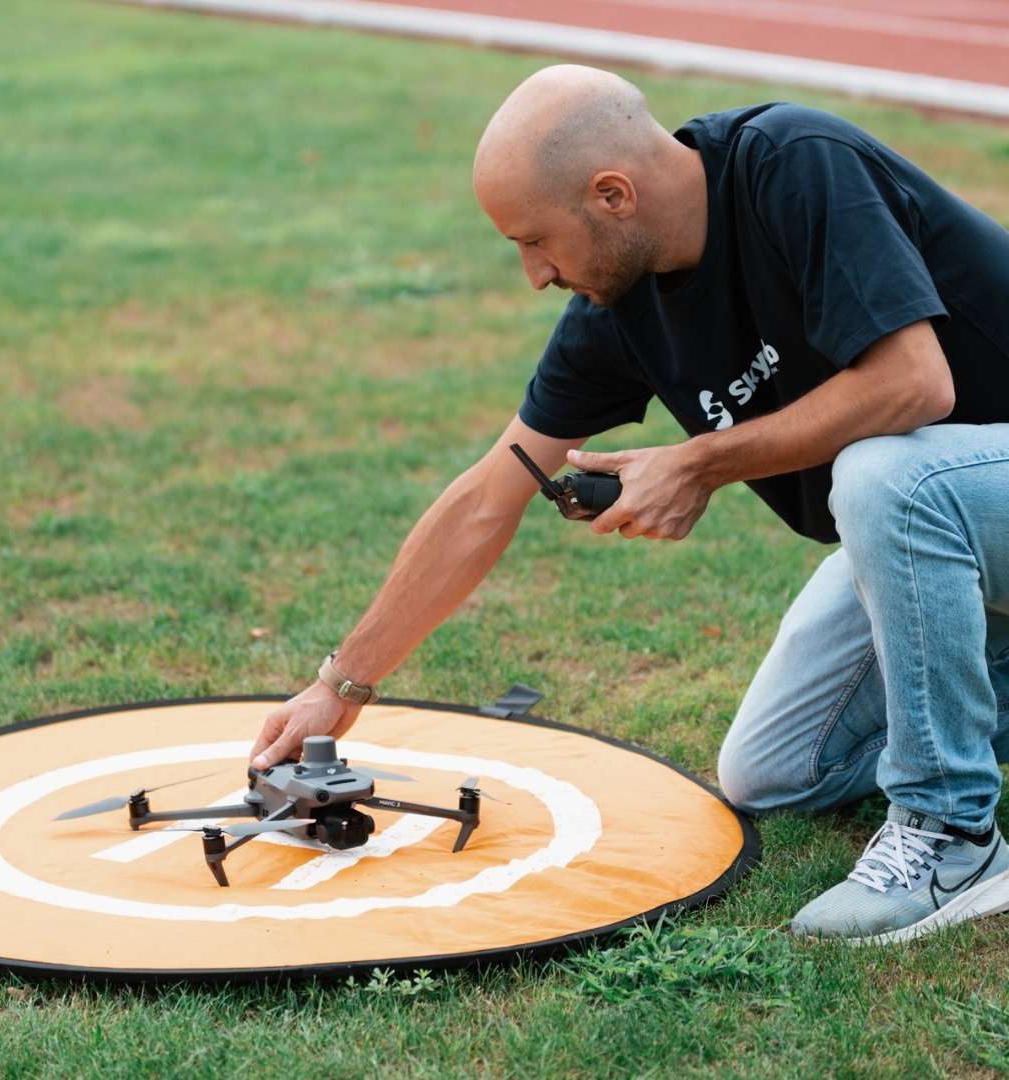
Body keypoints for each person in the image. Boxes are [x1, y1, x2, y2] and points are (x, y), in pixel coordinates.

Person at [251, 64, 1009, 943]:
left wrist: (698, 463)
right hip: (955, 533)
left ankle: (953, 836)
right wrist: (339, 686)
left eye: (536, 241)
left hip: (934, 499)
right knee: (773, 771)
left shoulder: (794, 163)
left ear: (612, 195)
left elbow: (914, 384)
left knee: (883, 477)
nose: (534, 274)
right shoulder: (617, 311)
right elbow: (488, 498)